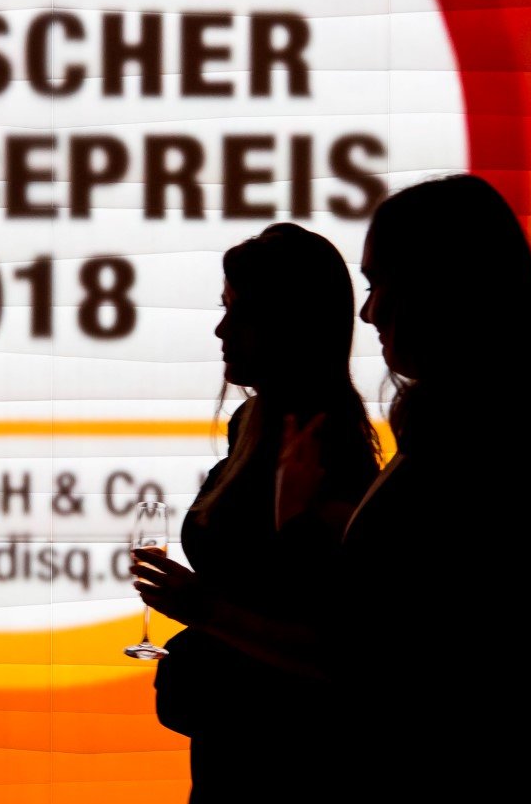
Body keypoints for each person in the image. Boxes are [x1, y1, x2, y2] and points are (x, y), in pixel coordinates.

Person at [345, 174, 531, 801]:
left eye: (379, 285)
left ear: (438, 289)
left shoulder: (479, 437)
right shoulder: (513, 420)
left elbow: (433, 630)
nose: (368, 312)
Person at [130, 223, 380, 803]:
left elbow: (337, 642)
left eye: (238, 313)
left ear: (288, 325)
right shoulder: (253, 425)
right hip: (230, 750)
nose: (221, 330)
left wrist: (203, 608)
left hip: (285, 763)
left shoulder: (325, 448)